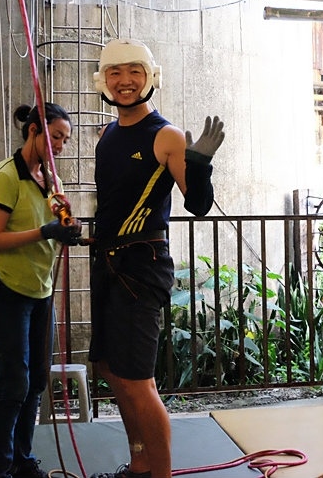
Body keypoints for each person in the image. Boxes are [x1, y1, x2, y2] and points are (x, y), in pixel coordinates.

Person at [88, 39, 225, 478]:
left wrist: (199, 163)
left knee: (137, 380)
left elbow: (199, 204)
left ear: (150, 77)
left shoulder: (165, 135)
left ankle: (159, 474)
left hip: (140, 267)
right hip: (106, 263)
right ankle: (141, 463)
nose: (124, 81)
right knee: (110, 370)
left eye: (134, 71)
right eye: (115, 73)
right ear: (103, 81)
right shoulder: (108, 135)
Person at [0, 103, 82, 478]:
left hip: (40, 291)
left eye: (66, 140)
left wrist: (68, 230)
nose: (61, 146)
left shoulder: (52, 182)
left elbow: (58, 222)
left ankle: (22, 460)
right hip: (6, 290)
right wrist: (45, 232)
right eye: (56, 136)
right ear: (34, 131)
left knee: (36, 381)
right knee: (13, 385)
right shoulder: (4, 176)